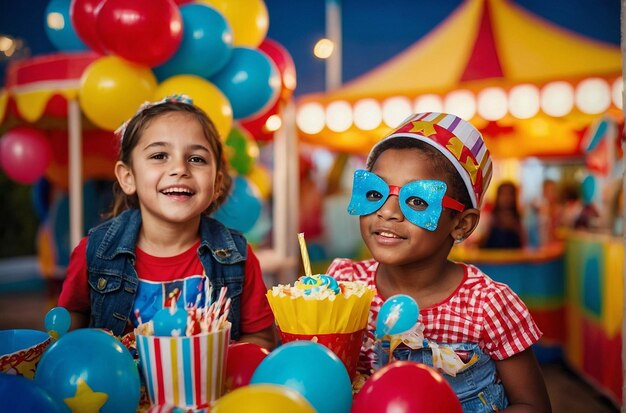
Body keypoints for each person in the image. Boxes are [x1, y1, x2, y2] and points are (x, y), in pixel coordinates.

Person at [328, 112, 551, 412]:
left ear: (462, 224)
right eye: (374, 192)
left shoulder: (488, 305)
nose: (388, 212)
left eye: (417, 200)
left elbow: (532, 405)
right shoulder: (343, 285)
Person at [58, 95, 277, 350]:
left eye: (196, 159)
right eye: (160, 155)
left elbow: (261, 339)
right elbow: (68, 329)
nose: (180, 169)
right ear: (128, 177)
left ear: (216, 184)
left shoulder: (237, 256)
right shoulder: (94, 253)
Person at [480, 181, 525, 249]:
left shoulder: (519, 220)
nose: (506, 198)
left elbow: (523, 244)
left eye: (510, 194)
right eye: (503, 194)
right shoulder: (490, 218)